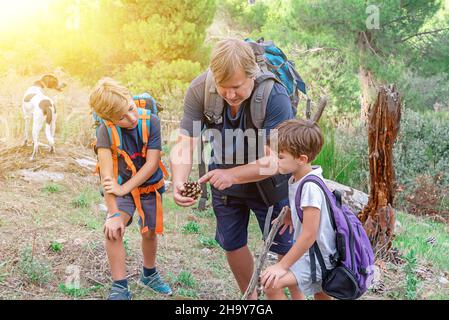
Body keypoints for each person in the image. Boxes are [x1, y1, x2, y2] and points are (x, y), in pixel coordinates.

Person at [170, 38, 301, 299]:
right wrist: (179, 180)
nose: (230, 95)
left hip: (270, 185)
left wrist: (232, 175)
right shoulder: (200, 89)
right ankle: (250, 300)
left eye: (237, 87)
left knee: (284, 248)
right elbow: (185, 144)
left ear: (251, 75)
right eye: (223, 87)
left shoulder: (274, 96)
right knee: (232, 244)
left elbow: (275, 160)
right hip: (224, 180)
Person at [89, 78, 171, 300]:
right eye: (122, 118)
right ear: (108, 119)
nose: (131, 118)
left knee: (150, 231)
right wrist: (114, 213)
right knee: (112, 230)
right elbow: (106, 176)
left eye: (131, 109)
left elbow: (152, 164)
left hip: (149, 186)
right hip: (120, 186)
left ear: (130, 97)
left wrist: (123, 188)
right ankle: (120, 285)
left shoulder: (151, 121)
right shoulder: (105, 131)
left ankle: (149, 274)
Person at [261, 119, 335, 300]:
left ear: (302, 159)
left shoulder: (310, 187)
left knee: (271, 284)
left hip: (318, 258)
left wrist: (282, 266)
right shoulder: (298, 178)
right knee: (322, 293)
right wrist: (291, 215)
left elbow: (309, 234)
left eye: (280, 157)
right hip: (318, 254)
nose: (274, 161)